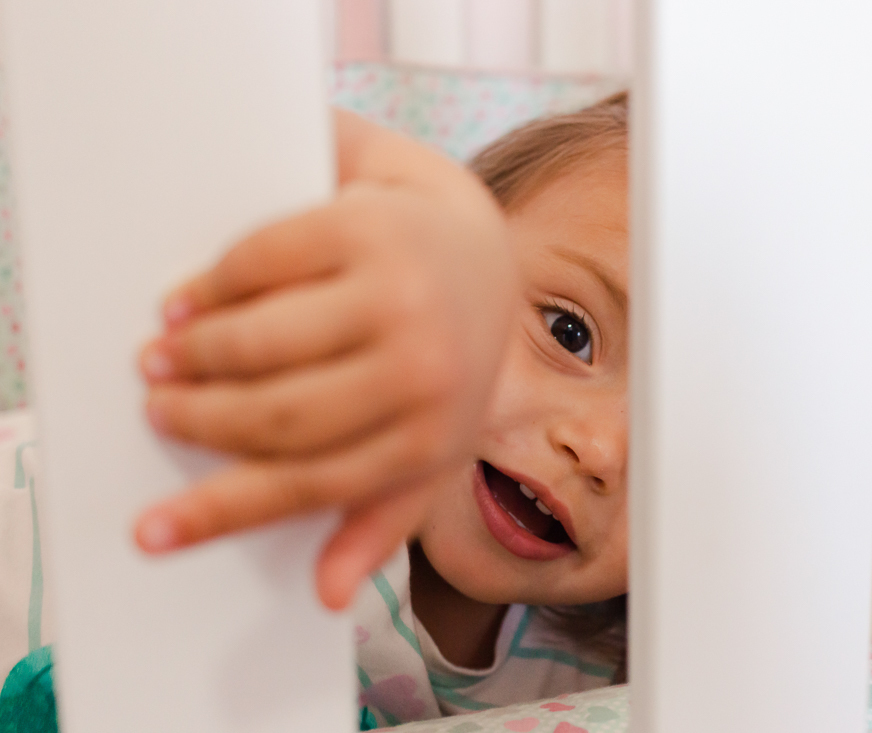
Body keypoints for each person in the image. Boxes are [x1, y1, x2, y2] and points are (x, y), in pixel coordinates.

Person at [136, 92, 630, 725]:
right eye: (568, 333)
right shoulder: (288, 417)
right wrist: (420, 194)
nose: (600, 450)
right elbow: (194, 115)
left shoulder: (617, 675)